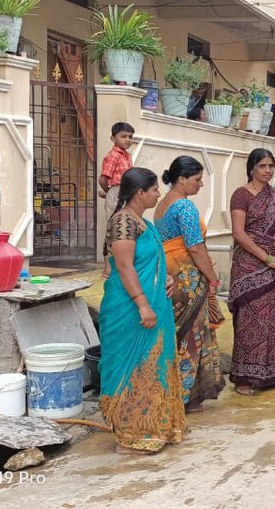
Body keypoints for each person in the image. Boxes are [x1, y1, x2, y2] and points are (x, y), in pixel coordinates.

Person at [98, 167, 185, 454]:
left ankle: (154, 426)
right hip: (131, 308)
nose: (158, 194)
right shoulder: (124, 221)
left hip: (152, 304)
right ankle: (130, 435)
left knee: (154, 364)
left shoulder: (140, 221)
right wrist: (143, 303)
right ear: (140, 193)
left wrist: (165, 279)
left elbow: (148, 261)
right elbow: (123, 266)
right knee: (132, 367)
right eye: (154, 190)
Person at [154, 156, 225, 412]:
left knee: (178, 333)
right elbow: (195, 247)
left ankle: (177, 391)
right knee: (192, 336)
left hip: (170, 275)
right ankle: (185, 395)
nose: (201, 184)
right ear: (181, 179)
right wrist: (212, 278)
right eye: (197, 179)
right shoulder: (184, 207)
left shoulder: (161, 205)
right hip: (187, 277)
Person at [228, 148, 275, 395]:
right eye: (262, 166)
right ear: (252, 168)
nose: (267, 171)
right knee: (249, 320)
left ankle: (273, 374)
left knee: (273, 320)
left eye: (270, 166)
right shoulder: (241, 195)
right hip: (249, 265)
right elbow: (239, 233)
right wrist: (266, 258)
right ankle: (245, 378)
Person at [98, 122, 135, 218]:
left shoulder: (127, 156)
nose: (128, 140)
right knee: (116, 223)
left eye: (130, 137)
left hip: (126, 192)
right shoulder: (113, 156)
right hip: (117, 192)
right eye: (123, 136)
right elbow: (103, 179)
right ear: (113, 139)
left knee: (126, 224)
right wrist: (109, 192)